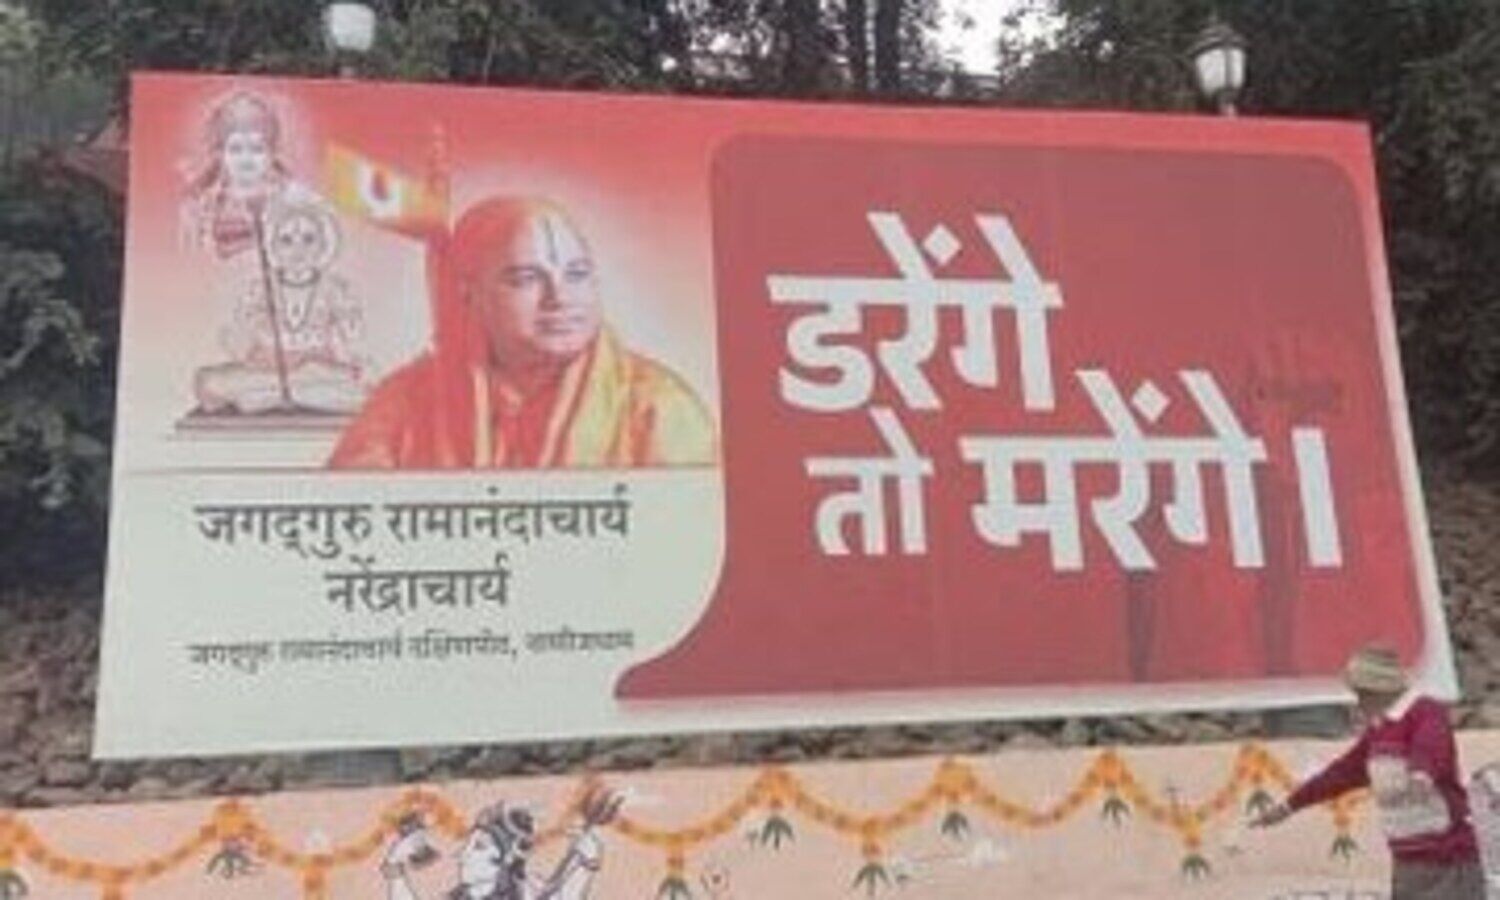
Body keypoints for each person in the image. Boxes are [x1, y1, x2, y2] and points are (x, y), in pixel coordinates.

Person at [328, 196, 716, 469]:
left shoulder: (657, 408)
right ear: (469, 293)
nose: (560, 298)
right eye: (527, 278)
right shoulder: (406, 403)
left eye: (577, 274)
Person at [1252, 643, 1484, 898]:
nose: (1359, 701)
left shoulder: (1426, 711)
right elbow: (1340, 774)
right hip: (1408, 862)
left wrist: (1421, 773)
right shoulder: (1379, 731)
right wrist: (1289, 806)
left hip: (1448, 858)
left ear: (1381, 689)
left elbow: (1432, 746)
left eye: (1363, 693)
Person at [193, 201, 367, 415]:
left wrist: (345, 325)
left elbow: (351, 330)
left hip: (317, 370)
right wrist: (255, 330)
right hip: (268, 369)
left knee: (357, 386)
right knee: (209, 382)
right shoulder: (262, 288)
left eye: (308, 239)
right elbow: (243, 329)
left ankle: (269, 398)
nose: (298, 249)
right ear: (273, 246)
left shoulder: (333, 288)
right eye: (286, 240)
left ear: (324, 245)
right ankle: (289, 394)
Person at [380, 786, 622, 900]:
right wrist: (394, 867)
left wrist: (587, 863)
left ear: (506, 857)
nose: (463, 856)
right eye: (469, 846)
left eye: (479, 847)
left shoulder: (527, 892)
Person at [179, 90, 313, 259]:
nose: (246, 159)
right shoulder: (202, 204)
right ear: (220, 153)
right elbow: (189, 256)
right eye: (235, 150)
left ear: (272, 153)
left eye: (257, 149)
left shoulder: (291, 199)